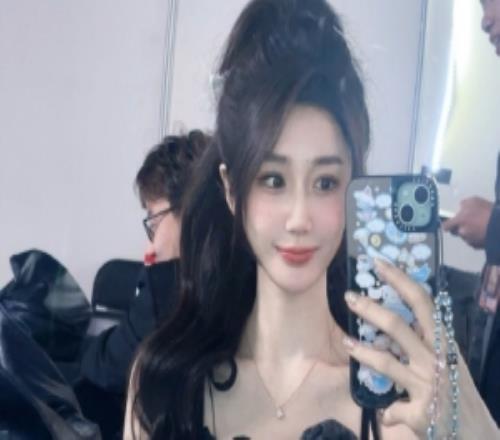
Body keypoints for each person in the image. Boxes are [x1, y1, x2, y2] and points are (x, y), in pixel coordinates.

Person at [125, 1, 499, 439]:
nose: (300, 218)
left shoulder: (400, 410)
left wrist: (480, 431)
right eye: (273, 179)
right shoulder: (163, 385)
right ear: (230, 188)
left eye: (325, 182)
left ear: (353, 188)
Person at [77, 130, 209, 437]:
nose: (150, 244)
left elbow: (109, 365)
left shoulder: (172, 288)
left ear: (189, 213)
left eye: (155, 222)